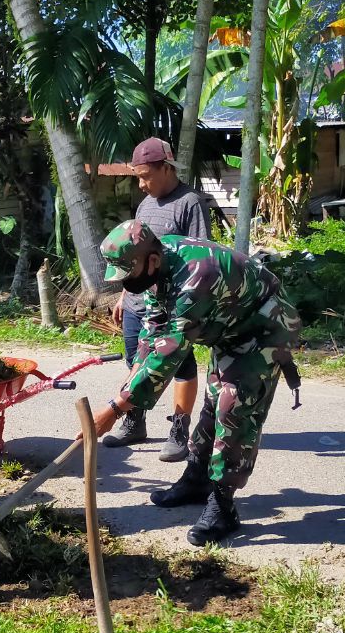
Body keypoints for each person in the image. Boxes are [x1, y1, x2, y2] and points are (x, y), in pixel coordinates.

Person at [89, 220, 301, 545]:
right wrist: (131, 379)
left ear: (152, 261)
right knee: (214, 403)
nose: (126, 283)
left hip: (264, 328)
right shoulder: (158, 264)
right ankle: (197, 479)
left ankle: (222, 506)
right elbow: (154, 328)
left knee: (233, 408)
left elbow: (170, 352)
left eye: (128, 274)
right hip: (230, 327)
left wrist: (115, 409)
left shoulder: (195, 276)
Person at [105, 138, 212, 462]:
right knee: (135, 361)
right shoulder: (145, 205)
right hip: (138, 303)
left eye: (145, 176)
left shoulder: (190, 203)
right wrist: (124, 294)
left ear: (166, 168)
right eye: (138, 177)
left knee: (179, 364)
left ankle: (179, 428)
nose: (141, 184)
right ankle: (134, 421)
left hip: (173, 303)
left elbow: (200, 257)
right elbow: (132, 255)